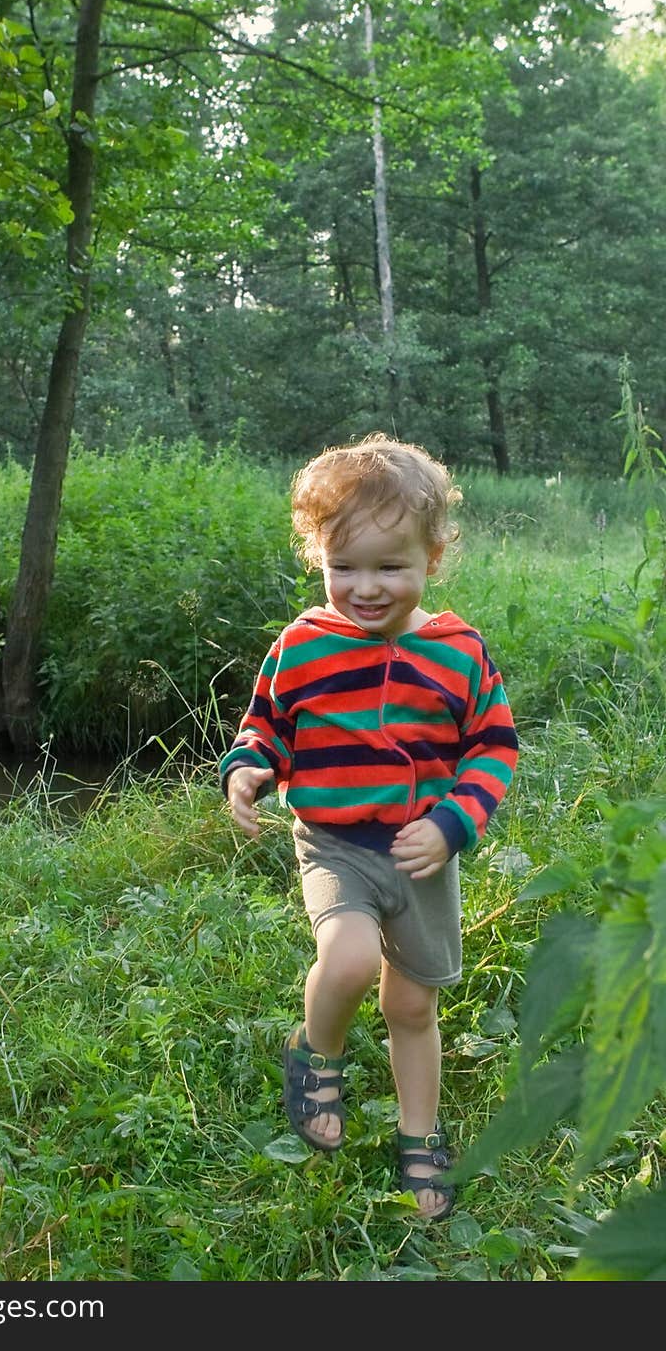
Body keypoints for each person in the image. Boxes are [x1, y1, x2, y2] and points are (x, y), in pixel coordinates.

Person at [219, 433, 518, 1220]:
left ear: (434, 557)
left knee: (413, 1007)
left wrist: (455, 823)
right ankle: (315, 1056)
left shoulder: (458, 654)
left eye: (391, 566)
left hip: (423, 854)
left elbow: (493, 747)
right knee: (348, 960)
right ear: (316, 555)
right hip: (336, 843)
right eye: (342, 566)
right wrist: (249, 767)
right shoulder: (303, 646)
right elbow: (268, 727)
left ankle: (420, 1138)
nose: (366, 587)